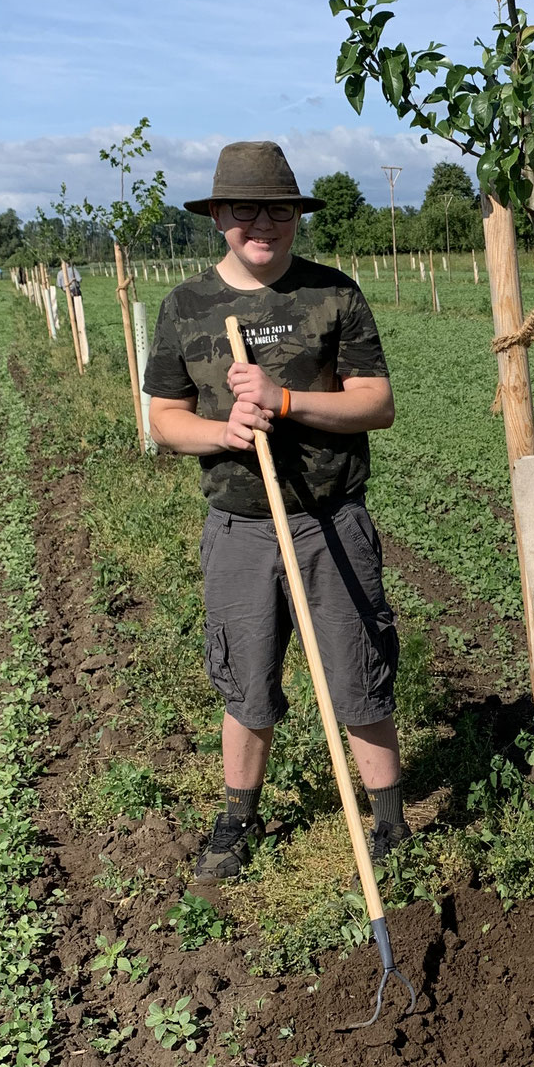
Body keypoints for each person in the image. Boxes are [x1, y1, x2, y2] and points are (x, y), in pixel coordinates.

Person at [144, 141, 409, 882]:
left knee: (358, 676)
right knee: (247, 682)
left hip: (330, 521)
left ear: (296, 214)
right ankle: (238, 818)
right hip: (238, 528)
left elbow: (376, 404)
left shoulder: (333, 294)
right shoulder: (186, 306)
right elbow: (165, 416)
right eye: (245, 208)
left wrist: (284, 401)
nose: (262, 222)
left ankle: (388, 822)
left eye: (279, 208)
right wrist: (221, 431)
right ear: (218, 216)